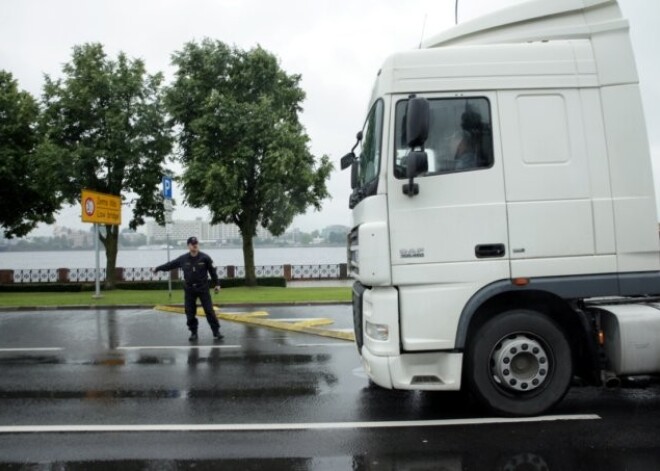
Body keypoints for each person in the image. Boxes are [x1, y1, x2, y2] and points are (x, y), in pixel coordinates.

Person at [153, 236, 223, 341]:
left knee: (209, 310)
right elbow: (170, 265)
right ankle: (193, 333)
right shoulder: (183, 259)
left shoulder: (205, 258)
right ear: (188, 246)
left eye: (196, 243)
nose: (195, 245)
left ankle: (216, 332)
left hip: (203, 288)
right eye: (192, 244)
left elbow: (213, 272)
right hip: (189, 289)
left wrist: (217, 284)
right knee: (189, 312)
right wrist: (158, 268)